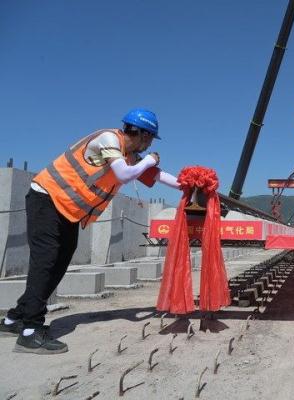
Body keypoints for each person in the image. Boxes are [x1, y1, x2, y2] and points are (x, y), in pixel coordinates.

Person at [0, 108, 180, 354]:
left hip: (67, 211)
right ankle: (30, 330)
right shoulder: (109, 140)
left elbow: (157, 176)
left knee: (58, 263)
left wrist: (188, 185)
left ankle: (14, 319)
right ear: (138, 132)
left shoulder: (127, 155)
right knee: (46, 261)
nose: (148, 146)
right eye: (148, 139)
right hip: (47, 198)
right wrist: (151, 160)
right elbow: (124, 175)